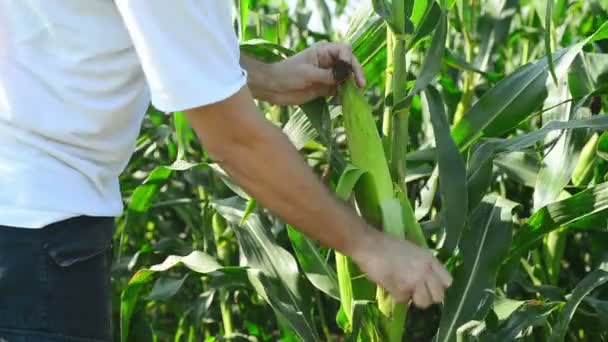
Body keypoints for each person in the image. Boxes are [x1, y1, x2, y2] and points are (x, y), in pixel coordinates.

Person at [0, 1, 452, 341]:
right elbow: (235, 143)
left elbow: (130, 29)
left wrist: (268, 78)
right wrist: (372, 247)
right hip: (35, 238)